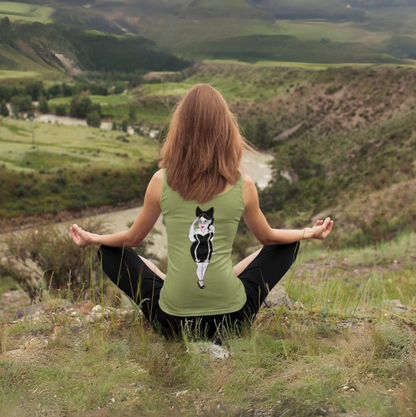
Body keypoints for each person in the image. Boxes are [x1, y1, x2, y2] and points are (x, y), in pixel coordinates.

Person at [69, 84, 334, 342]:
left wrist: (94, 238)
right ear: (226, 130)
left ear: (179, 130)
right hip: (232, 321)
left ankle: (176, 286)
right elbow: (269, 239)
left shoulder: (160, 181)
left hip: (172, 324)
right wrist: (307, 233)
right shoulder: (245, 185)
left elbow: (132, 239)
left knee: (110, 251)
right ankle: (216, 288)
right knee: (287, 245)